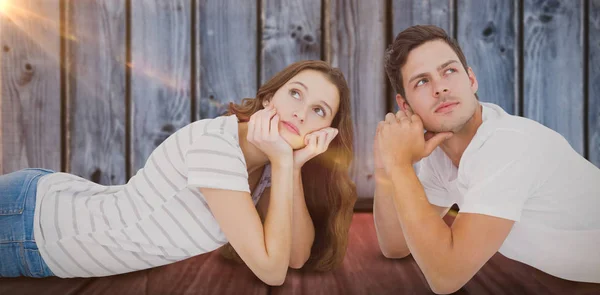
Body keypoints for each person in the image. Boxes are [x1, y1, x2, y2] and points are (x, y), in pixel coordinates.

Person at [0, 60, 357, 286]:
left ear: (323, 133)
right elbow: (272, 271)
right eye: (295, 93)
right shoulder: (216, 146)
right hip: (30, 224)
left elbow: (293, 257)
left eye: (319, 111)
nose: (300, 114)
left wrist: (290, 168)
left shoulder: (265, 167)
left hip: (47, 226)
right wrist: (283, 162)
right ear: (267, 100)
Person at [373, 25, 600, 294]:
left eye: (449, 71)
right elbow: (396, 245)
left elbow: (446, 277)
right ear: (406, 106)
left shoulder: (509, 144)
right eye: (422, 81)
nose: (440, 87)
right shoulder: (439, 154)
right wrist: (386, 166)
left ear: (471, 80)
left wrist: (399, 165)